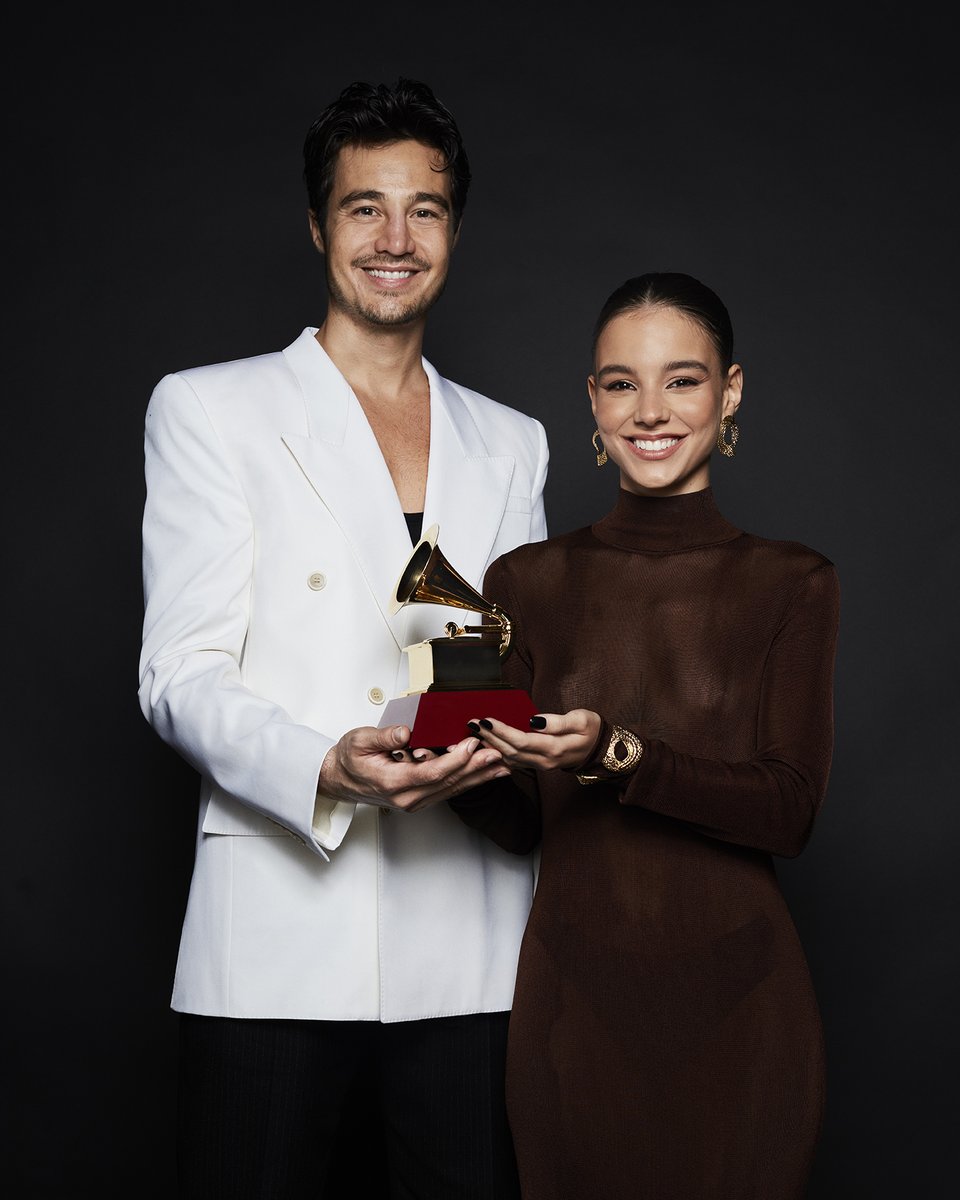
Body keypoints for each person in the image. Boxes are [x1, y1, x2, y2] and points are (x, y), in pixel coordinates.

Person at [137, 77, 548, 1200]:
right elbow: (178, 673)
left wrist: (497, 736)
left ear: (454, 229)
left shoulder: (511, 444)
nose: (396, 238)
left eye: (425, 209)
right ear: (319, 225)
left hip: (467, 932)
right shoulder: (210, 410)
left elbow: (477, 658)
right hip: (277, 921)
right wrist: (322, 760)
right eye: (366, 207)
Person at [453, 271, 840, 1199]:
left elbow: (787, 811)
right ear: (592, 398)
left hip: (744, 1016)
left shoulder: (793, 582)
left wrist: (614, 753)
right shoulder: (521, 581)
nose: (651, 410)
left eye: (683, 379)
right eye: (622, 382)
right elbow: (517, 825)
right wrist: (453, 744)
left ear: (730, 390)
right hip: (571, 1019)